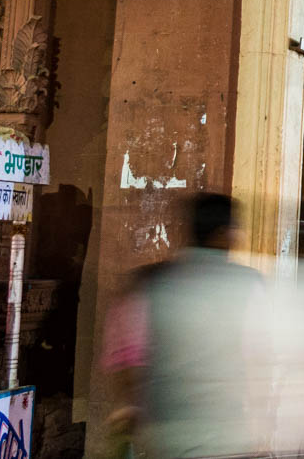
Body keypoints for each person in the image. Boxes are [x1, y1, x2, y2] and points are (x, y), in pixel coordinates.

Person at [99, 193, 267, 459]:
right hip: (224, 430)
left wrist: (133, 408)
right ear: (226, 234)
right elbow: (258, 358)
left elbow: (127, 358)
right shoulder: (249, 284)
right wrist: (261, 423)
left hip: (164, 429)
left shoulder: (148, 281)